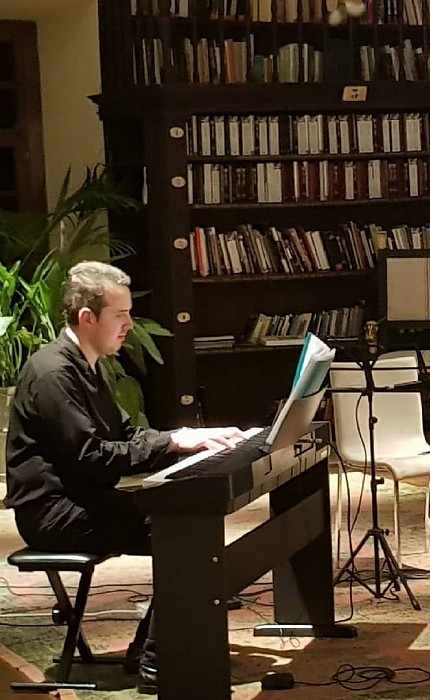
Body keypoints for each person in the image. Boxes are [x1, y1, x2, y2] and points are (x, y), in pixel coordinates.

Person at [4, 260, 245, 688]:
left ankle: (156, 648)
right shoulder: (55, 373)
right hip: (54, 513)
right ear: (87, 318)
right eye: (121, 314)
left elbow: (126, 435)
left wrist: (189, 438)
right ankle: (159, 660)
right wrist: (172, 443)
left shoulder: (87, 364)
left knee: (188, 524)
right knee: (184, 533)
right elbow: (92, 456)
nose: (129, 325)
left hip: (83, 501)